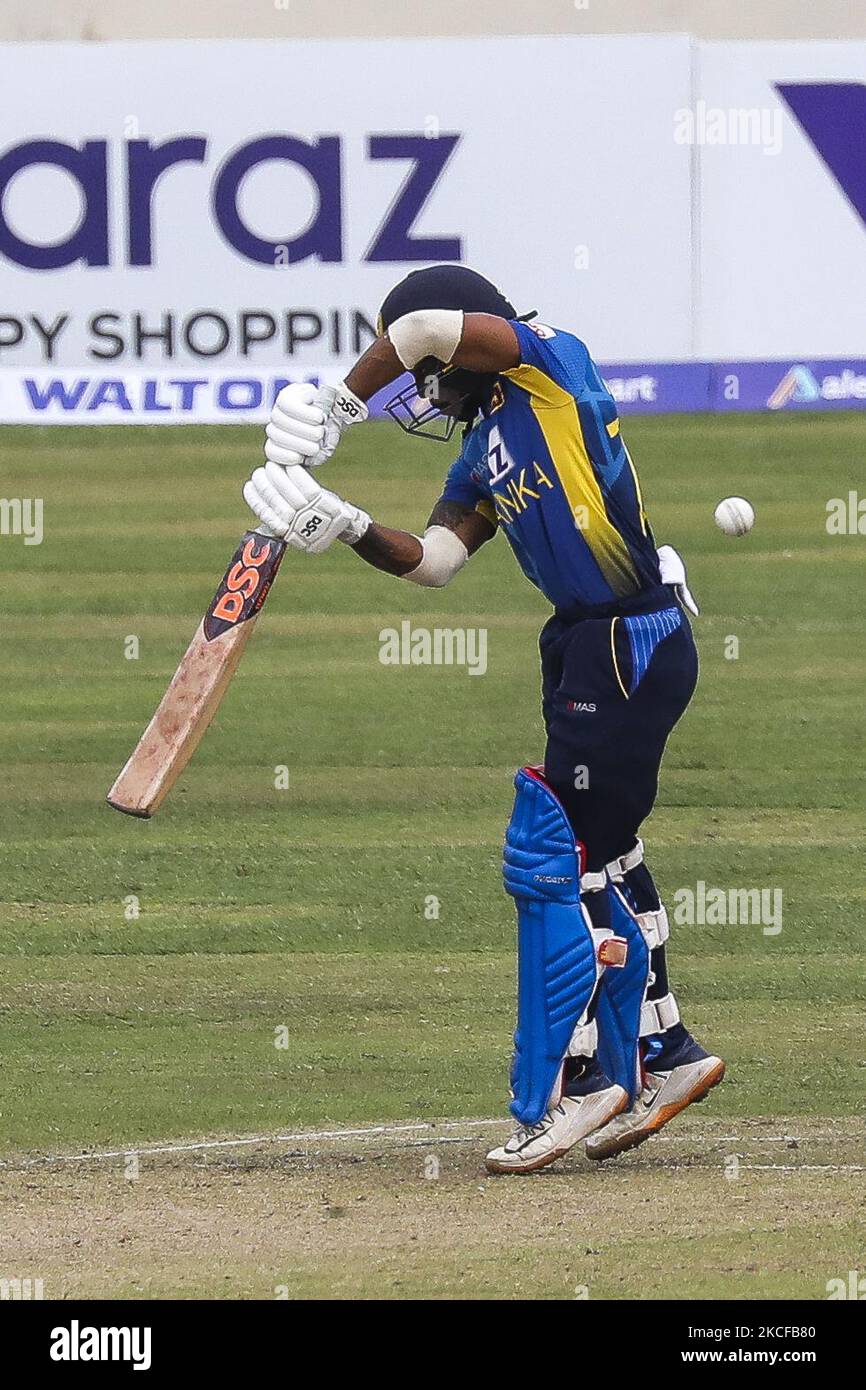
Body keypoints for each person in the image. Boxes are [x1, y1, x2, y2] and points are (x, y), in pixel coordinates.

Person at [243, 264, 725, 1175]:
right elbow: (430, 561)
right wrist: (339, 522)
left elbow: (422, 324)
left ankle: (585, 1086)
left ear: (473, 341)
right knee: (609, 854)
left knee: (556, 860)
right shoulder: (479, 451)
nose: (421, 389)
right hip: (596, 645)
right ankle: (667, 1054)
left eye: (426, 371)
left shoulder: (551, 366)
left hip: (627, 639)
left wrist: (337, 406)